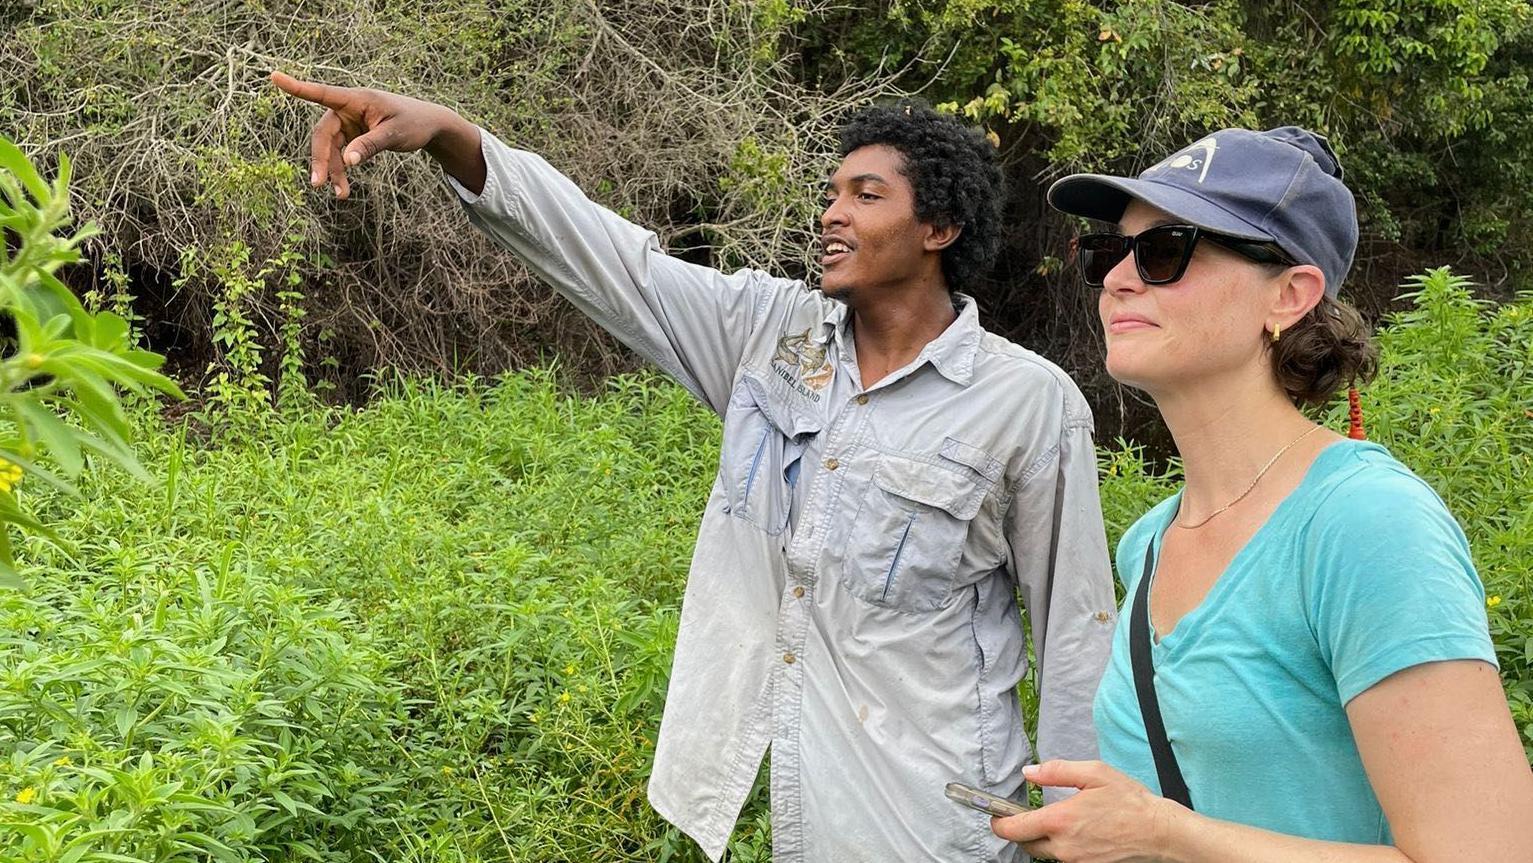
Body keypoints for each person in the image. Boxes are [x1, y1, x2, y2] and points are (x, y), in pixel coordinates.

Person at [271, 72, 1119, 862]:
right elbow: (617, 264)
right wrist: (454, 136)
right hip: (802, 790)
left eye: (866, 196)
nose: (831, 214)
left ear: (939, 228)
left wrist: (1083, 821)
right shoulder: (768, 336)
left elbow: (1074, 628)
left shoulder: (1026, 405)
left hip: (938, 814)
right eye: (830, 193)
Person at [988, 127, 1533, 861]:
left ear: (1289, 294)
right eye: (1109, 252)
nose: (1117, 278)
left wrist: (1165, 834)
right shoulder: (1148, 540)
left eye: (1161, 252)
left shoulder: (1363, 522)